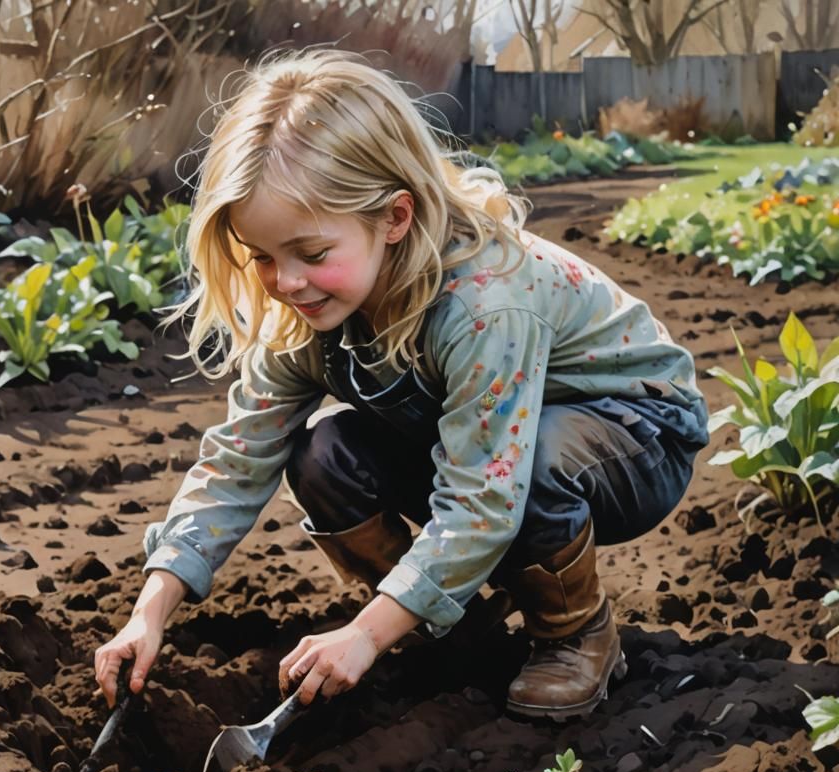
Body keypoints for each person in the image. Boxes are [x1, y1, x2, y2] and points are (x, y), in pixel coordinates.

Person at [93, 49, 708, 722]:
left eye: (312, 254)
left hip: (636, 433)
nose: (286, 281)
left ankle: (575, 634)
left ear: (394, 217)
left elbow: (484, 494)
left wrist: (363, 635)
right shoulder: (308, 314)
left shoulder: (483, 304)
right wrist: (148, 611)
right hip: (494, 440)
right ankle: (453, 625)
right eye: (263, 258)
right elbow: (238, 458)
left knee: (530, 464)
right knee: (322, 457)